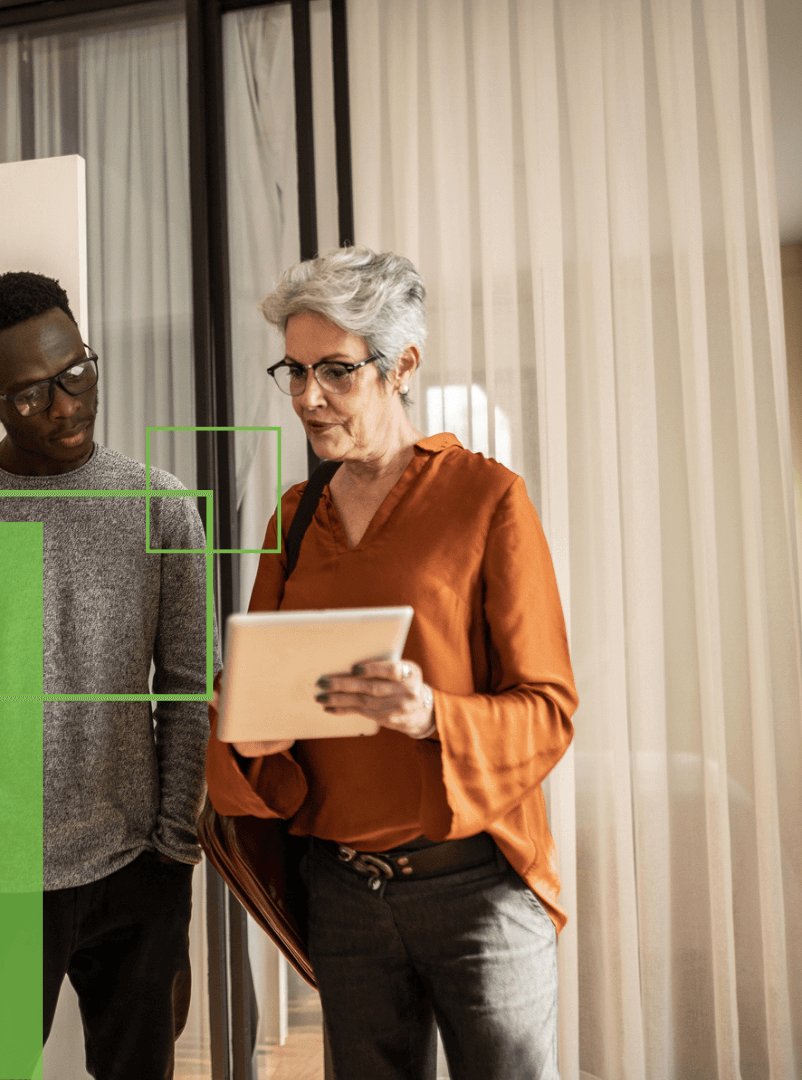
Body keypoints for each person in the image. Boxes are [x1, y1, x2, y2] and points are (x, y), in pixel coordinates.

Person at [207, 247, 576, 1080]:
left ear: (402, 365)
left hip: (478, 892)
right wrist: (249, 735)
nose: (309, 397)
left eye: (336, 370)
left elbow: (549, 708)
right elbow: (249, 695)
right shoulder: (294, 519)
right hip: (343, 898)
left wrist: (433, 715)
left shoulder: (488, 499)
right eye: (294, 371)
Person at [0, 271, 209, 1079]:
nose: (64, 405)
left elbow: (189, 689)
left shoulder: (161, 508)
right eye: (29, 394)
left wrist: (174, 844)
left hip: (139, 869)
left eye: (77, 373)